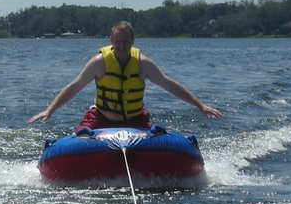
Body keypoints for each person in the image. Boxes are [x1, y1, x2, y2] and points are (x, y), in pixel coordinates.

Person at [28, 21, 223, 130]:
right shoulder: (99, 62)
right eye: (118, 41)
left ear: (133, 40)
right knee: (79, 137)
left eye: (125, 42)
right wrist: (50, 110)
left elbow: (169, 85)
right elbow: (74, 87)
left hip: (135, 119)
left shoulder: (143, 64)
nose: (121, 46)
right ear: (111, 40)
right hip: (101, 119)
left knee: (160, 138)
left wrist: (200, 105)